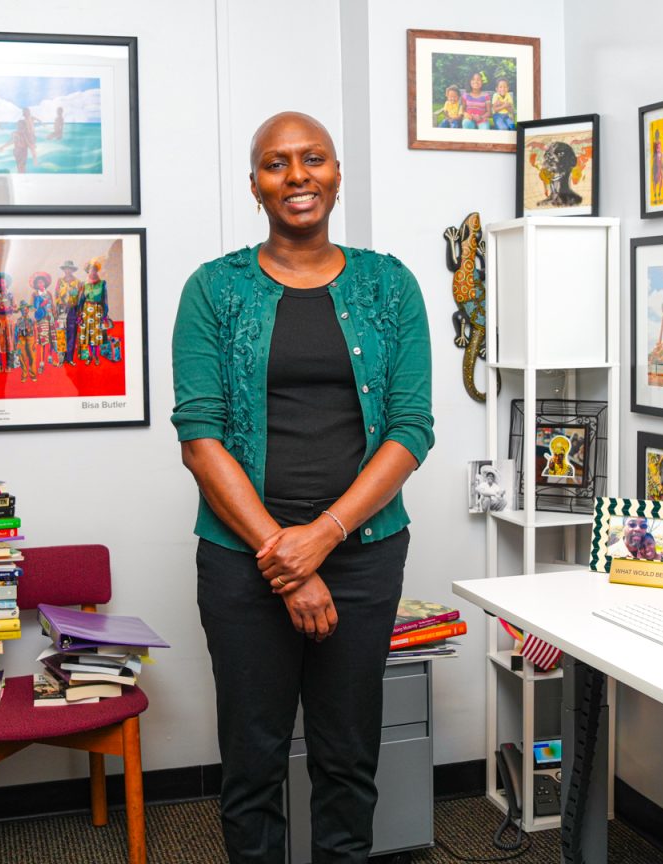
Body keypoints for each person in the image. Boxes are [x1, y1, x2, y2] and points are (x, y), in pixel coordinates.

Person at [171, 111, 434, 864]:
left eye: (312, 159)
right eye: (276, 164)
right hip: (239, 562)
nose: (297, 176)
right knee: (252, 761)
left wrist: (322, 539)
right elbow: (200, 435)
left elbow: (411, 428)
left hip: (363, 555)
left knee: (347, 755)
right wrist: (284, 560)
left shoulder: (389, 285)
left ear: (337, 172)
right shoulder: (214, 290)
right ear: (254, 184)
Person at [76, 256, 110, 365]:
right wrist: (79, 314)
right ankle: (90, 356)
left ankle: (96, 356)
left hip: (97, 311)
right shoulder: (84, 284)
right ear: (88, 271)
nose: (93, 271)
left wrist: (105, 314)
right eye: (91, 269)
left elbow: (105, 299)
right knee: (88, 336)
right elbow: (81, 300)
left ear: (97, 271)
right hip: (87, 312)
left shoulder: (102, 283)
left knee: (96, 335)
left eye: (95, 269)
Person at [55, 259, 83, 365]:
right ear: (64, 270)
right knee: (61, 334)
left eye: (70, 269)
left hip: (72, 310)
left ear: (73, 270)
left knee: (72, 333)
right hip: (62, 310)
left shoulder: (78, 282)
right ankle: (61, 359)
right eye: (66, 268)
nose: (68, 271)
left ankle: (70, 358)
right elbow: (56, 295)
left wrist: (78, 311)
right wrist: (58, 308)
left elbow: (80, 298)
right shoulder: (60, 281)